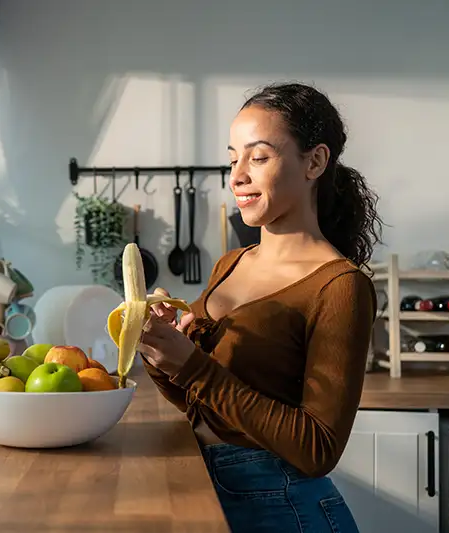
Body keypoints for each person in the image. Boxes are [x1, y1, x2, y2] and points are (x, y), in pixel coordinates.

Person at [138, 82, 382, 533]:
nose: (237, 176)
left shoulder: (341, 286)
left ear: (315, 161)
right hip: (210, 489)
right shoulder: (231, 264)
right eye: (233, 158)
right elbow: (203, 406)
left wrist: (191, 366)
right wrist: (159, 353)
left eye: (259, 156)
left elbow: (318, 449)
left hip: (285, 507)